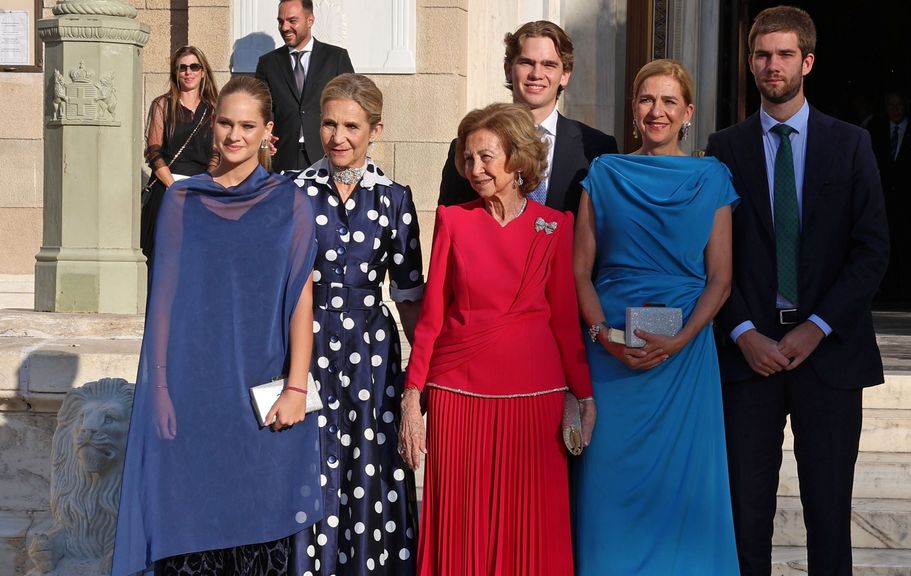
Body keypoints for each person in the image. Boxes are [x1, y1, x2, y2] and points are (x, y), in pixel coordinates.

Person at [705, 6, 889, 576]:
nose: (772, 65)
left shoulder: (851, 144)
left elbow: (871, 250)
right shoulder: (723, 148)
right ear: (750, 64)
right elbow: (708, 256)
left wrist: (817, 326)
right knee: (744, 515)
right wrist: (740, 332)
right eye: (762, 55)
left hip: (830, 356)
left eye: (785, 54)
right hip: (748, 361)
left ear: (806, 61)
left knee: (829, 515)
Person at [113, 76, 320, 575]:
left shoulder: (290, 203)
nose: (234, 135)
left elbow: (300, 304)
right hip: (194, 391)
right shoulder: (182, 203)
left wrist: (296, 386)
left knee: (261, 516)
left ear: (268, 131)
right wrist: (159, 388)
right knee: (189, 522)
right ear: (212, 125)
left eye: (247, 125)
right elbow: (162, 302)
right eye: (225, 122)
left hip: (262, 389)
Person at [400, 102, 596, 575]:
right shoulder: (453, 219)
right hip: (458, 396)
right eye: (468, 159)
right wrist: (412, 396)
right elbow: (431, 318)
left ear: (518, 159)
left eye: (486, 157)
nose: (475, 169)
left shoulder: (555, 226)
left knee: (532, 530)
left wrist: (585, 396)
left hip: (535, 399)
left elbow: (566, 323)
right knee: (462, 528)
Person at [572, 59, 740, 575]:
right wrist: (602, 336)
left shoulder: (712, 177)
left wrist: (683, 339)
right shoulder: (603, 173)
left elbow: (721, 279)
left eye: (669, 101)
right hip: (610, 358)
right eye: (647, 99)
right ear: (633, 109)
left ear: (688, 112)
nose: (657, 111)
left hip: (684, 362)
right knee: (607, 485)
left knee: (684, 492)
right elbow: (580, 271)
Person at [286, 73, 423, 575]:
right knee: (311, 466)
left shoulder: (395, 199)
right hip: (307, 342)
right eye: (328, 124)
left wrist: (423, 373)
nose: (337, 137)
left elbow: (409, 296)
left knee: (371, 465)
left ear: (375, 130)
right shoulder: (294, 192)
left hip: (373, 351)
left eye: (351, 126)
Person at [437, 20, 618, 214]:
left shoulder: (597, 148)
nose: (536, 74)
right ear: (508, 69)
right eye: (526, 63)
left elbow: (605, 227)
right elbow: (450, 223)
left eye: (549, 65)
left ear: (565, 75)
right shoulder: (467, 148)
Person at [255, 0, 354, 172]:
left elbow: (352, 105)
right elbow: (261, 108)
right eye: (280, 21)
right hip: (281, 157)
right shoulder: (268, 63)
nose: (284, 27)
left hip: (326, 154)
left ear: (310, 21)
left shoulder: (336, 58)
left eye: (292, 21)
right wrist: (264, 136)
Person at [141, 45, 218, 268]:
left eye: (194, 66)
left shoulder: (214, 109)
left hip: (201, 189)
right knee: (162, 258)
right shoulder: (162, 105)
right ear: (175, 73)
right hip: (167, 189)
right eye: (182, 67)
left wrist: (203, 183)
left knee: (197, 257)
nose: (188, 72)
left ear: (203, 71)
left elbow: (216, 152)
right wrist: (173, 185)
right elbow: (154, 151)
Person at [866, 89, 911, 306]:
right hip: (882, 203)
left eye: (898, 105)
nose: (895, 110)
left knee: (909, 248)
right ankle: (887, 293)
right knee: (884, 247)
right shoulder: (875, 130)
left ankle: (910, 294)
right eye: (891, 105)